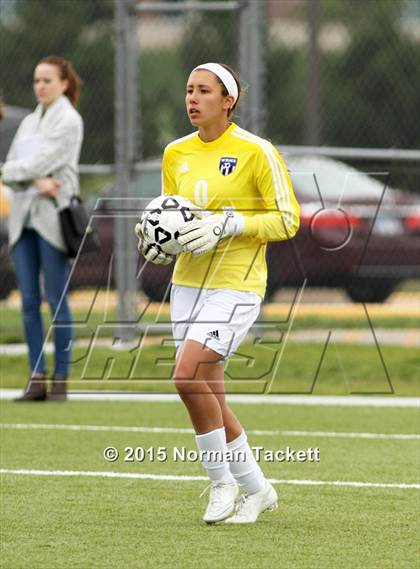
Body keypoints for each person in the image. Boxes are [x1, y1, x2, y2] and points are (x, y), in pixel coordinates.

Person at [135, 62, 300, 524]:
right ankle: (259, 489)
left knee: (186, 376)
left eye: (203, 91)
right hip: (187, 283)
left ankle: (220, 481)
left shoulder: (256, 151)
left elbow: (287, 219)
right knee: (210, 391)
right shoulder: (175, 152)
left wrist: (229, 223)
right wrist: (157, 237)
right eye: (188, 90)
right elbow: (174, 214)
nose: (192, 99)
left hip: (237, 282)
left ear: (227, 101)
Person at [0, 56, 83, 401]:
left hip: (52, 218)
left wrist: (22, 172)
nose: (40, 86)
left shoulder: (69, 119)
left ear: (64, 83)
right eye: (37, 80)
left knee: (56, 298)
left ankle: (61, 377)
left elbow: (40, 161)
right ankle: (36, 376)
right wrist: (33, 178)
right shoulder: (30, 122)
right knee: (29, 301)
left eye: (47, 80)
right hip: (23, 219)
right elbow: (9, 169)